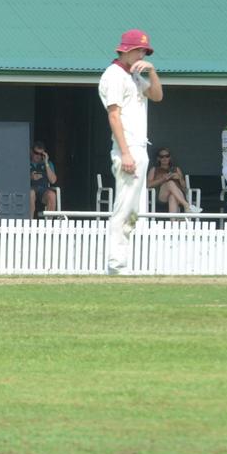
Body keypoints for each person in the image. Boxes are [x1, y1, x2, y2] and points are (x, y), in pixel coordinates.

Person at [98, 29, 163, 275]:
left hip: (139, 147)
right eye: (138, 50)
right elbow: (113, 115)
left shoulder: (134, 76)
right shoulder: (113, 75)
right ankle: (116, 265)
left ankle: (121, 263)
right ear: (125, 50)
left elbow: (157, 96)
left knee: (133, 210)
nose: (142, 54)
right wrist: (125, 153)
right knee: (124, 208)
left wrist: (152, 72)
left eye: (144, 51)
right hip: (127, 148)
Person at [147, 147, 201, 214]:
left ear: (170, 157)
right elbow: (148, 185)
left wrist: (179, 178)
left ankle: (173, 223)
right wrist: (163, 179)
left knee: (172, 196)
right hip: (162, 196)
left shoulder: (176, 169)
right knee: (170, 183)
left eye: (167, 156)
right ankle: (187, 205)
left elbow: (185, 188)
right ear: (158, 158)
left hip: (178, 195)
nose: (164, 158)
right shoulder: (154, 169)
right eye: (162, 156)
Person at [28, 141, 58, 218]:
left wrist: (46, 163)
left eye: (41, 154)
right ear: (31, 151)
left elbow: (53, 181)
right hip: (30, 189)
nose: (38, 156)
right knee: (31, 193)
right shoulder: (26, 163)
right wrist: (30, 177)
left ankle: (48, 226)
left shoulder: (48, 164)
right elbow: (18, 179)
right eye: (36, 153)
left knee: (52, 195)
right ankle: (29, 224)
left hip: (43, 191)